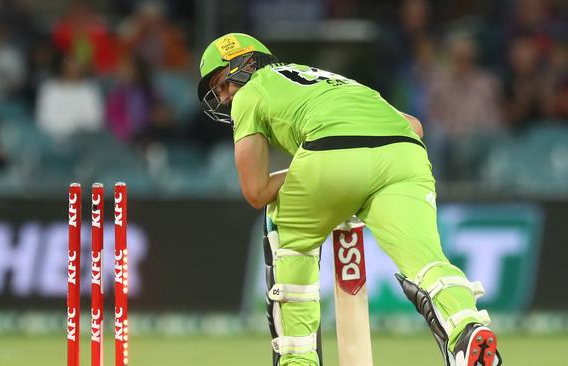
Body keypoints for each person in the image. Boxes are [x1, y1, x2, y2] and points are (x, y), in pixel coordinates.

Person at [196, 33, 502, 366]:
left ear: (246, 63)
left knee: (284, 229)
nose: (225, 98)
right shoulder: (333, 80)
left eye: (224, 84)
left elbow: (255, 190)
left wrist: (302, 169)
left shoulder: (251, 93)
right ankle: (465, 331)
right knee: (427, 260)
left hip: (331, 157)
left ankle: (298, 360)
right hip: (404, 156)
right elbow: (413, 125)